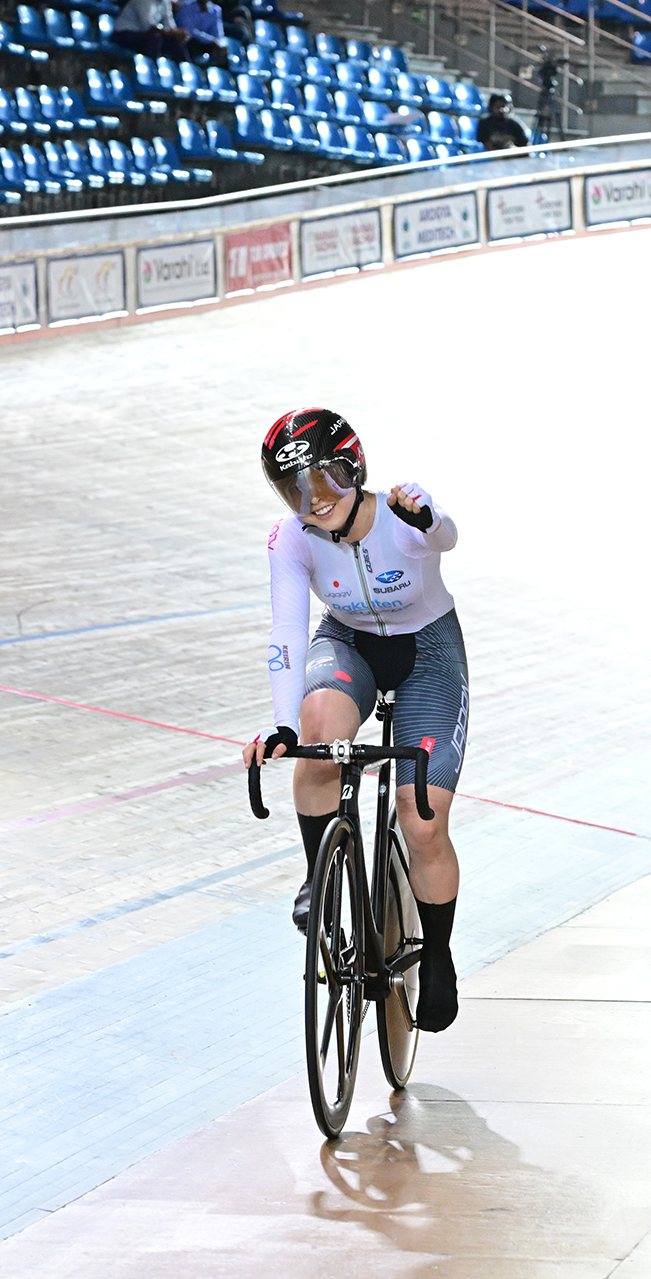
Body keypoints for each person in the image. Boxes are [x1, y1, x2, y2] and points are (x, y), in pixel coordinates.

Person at [242, 408, 470, 1034]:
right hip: (348, 643)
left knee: (421, 819)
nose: (312, 504)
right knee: (317, 733)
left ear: (353, 470)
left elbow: (445, 537)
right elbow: (287, 630)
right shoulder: (291, 539)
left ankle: (441, 955)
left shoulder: (399, 515)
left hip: (426, 653)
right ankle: (320, 880)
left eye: (323, 484)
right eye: (295, 491)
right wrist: (283, 724)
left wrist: (429, 517)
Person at [112, 0, 187, 62]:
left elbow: (169, 25)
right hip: (123, 34)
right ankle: (151, 69)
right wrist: (171, 32)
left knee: (175, 41)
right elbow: (148, 27)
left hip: (144, 36)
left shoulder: (165, 2)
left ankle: (184, 70)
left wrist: (177, 33)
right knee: (154, 38)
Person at [174, 0, 227, 65]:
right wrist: (211, 41)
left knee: (223, 50)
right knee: (193, 44)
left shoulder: (216, 10)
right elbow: (189, 31)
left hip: (206, 43)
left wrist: (218, 43)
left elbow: (218, 33)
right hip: (189, 42)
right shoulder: (186, 7)